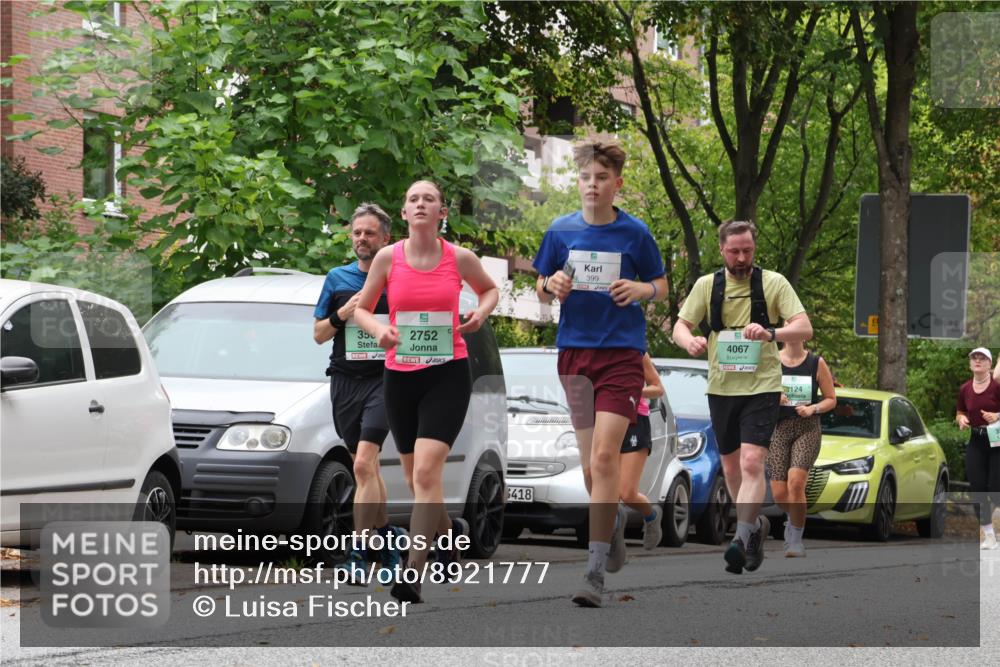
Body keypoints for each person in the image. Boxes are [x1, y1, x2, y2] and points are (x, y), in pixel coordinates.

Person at [534, 139, 667, 607]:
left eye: (602, 178)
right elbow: (540, 286)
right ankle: (609, 526)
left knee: (607, 458)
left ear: (617, 184)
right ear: (580, 182)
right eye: (586, 177)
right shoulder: (560, 229)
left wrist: (640, 288)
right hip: (575, 354)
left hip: (621, 356)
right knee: (591, 467)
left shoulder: (635, 233)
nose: (593, 185)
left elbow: (662, 285)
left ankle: (592, 574)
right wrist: (551, 285)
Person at [353, 180, 499, 603]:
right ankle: (450, 533)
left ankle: (412, 572)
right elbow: (362, 309)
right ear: (404, 213)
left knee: (425, 474)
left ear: (441, 213)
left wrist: (479, 313)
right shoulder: (387, 257)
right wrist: (379, 327)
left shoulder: (459, 258)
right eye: (413, 198)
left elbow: (490, 289)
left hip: (447, 374)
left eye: (428, 199)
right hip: (400, 377)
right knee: (421, 484)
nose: (420, 204)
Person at [672, 219, 812, 574]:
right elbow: (680, 325)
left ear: (754, 248)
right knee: (732, 468)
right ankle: (756, 530)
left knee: (752, 463)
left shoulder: (772, 283)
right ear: (721, 250)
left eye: (747, 250)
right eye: (734, 251)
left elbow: (804, 326)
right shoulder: (707, 286)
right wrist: (689, 341)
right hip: (721, 387)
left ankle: (740, 535)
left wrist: (770, 332)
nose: (741, 257)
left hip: (762, 387)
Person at [313, 203, 403, 582]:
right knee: (367, 468)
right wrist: (343, 314)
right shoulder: (337, 278)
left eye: (369, 233)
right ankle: (388, 539)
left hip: (385, 380)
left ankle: (358, 553)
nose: (362, 239)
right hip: (345, 382)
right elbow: (319, 334)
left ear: (386, 238)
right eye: (357, 233)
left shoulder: (399, 278)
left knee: (364, 464)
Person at [768, 340, 836, 557]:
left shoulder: (816, 362)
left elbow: (831, 399)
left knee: (796, 482)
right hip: (779, 428)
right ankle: (794, 517)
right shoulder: (771, 360)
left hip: (807, 429)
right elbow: (755, 393)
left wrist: (813, 408)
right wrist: (773, 397)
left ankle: (796, 540)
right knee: (780, 495)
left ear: (804, 335)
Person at [619, 353, 667, 551]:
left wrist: (636, 391)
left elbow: (658, 388)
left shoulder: (636, 351)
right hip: (605, 420)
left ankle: (652, 516)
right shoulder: (596, 350)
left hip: (635, 422)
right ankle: (611, 543)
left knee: (627, 493)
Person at [955, 347, 1000, 550]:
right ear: (970, 363)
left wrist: (997, 416)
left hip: (997, 440)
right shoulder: (965, 388)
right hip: (976, 440)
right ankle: (989, 535)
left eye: (982, 358)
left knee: (995, 488)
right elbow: (960, 411)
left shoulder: (997, 386)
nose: (978, 361)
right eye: (974, 358)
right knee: (978, 489)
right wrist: (962, 419)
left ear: (990, 364)